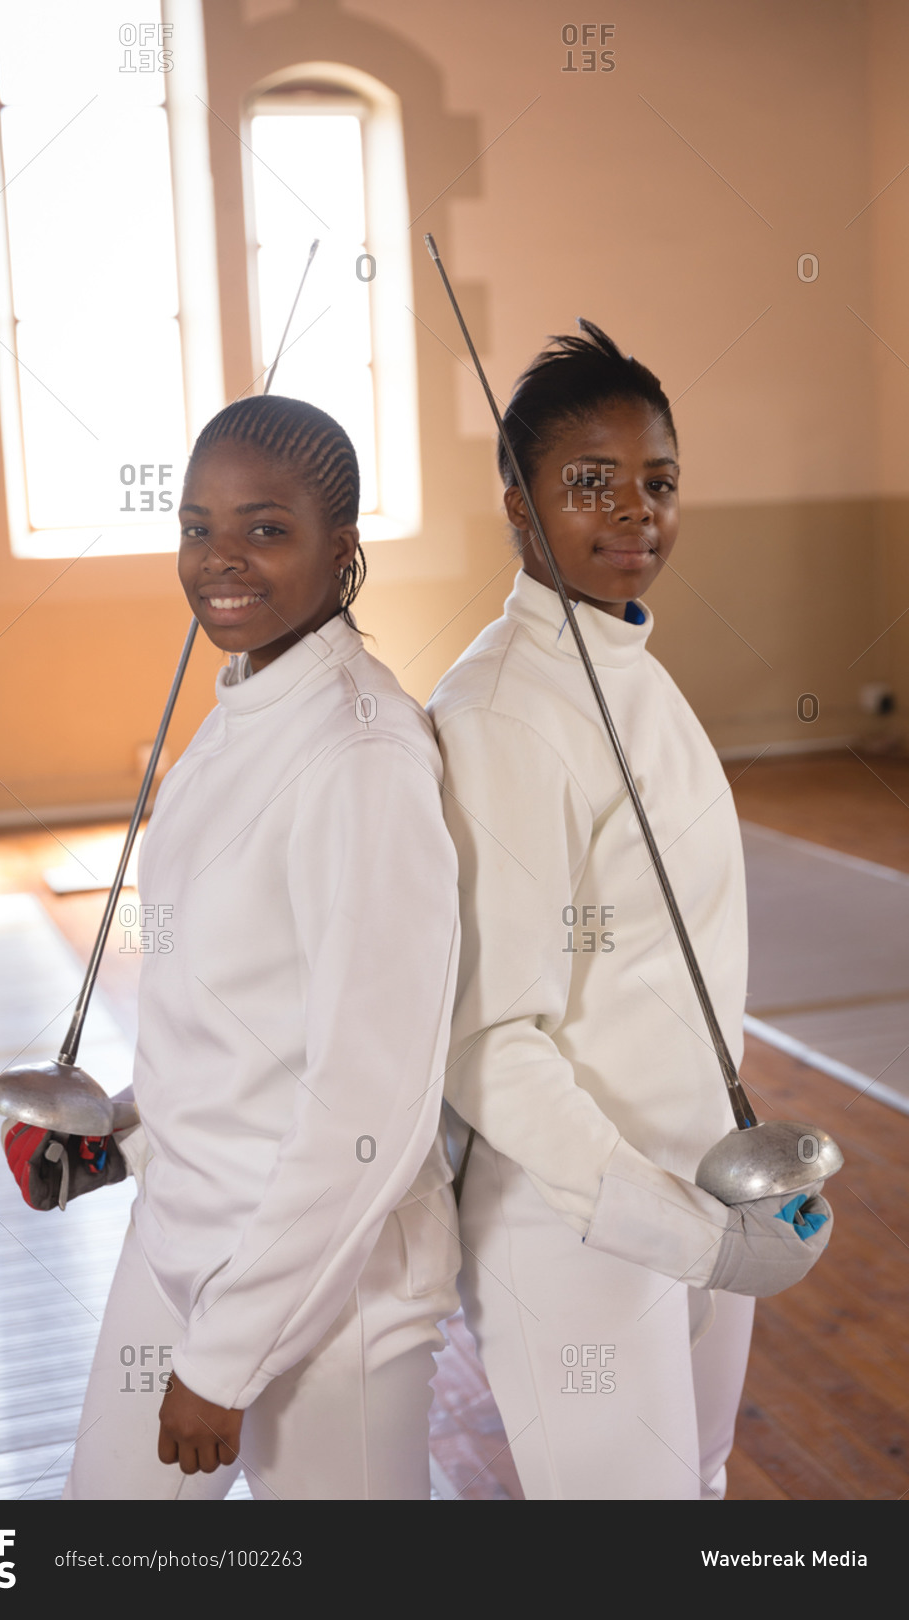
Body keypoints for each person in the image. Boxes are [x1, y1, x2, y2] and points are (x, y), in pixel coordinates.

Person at [6, 395, 461, 1499]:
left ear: (341, 549)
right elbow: (235, 1015)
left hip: (322, 1294)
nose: (222, 560)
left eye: (266, 528)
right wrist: (120, 1134)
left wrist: (224, 1359)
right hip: (180, 1239)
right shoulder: (241, 708)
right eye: (197, 526)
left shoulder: (363, 759)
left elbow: (370, 1100)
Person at [426, 323, 832, 1501]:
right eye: (589, 483)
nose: (634, 513)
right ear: (518, 502)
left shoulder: (627, 666)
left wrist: (718, 1211)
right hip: (578, 1228)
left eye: (657, 483)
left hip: (699, 1186)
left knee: (694, 1488)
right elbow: (487, 1045)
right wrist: (682, 1233)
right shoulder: (502, 710)